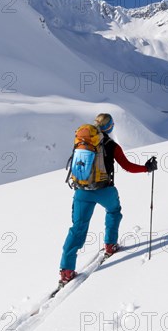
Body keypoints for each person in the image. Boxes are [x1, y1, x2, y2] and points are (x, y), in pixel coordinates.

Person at [58, 113, 157, 285]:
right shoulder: (112, 146)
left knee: (78, 228)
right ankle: (110, 245)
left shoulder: (83, 141)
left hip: (81, 191)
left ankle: (66, 270)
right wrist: (146, 168)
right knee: (114, 211)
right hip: (104, 190)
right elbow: (127, 166)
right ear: (109, 127)